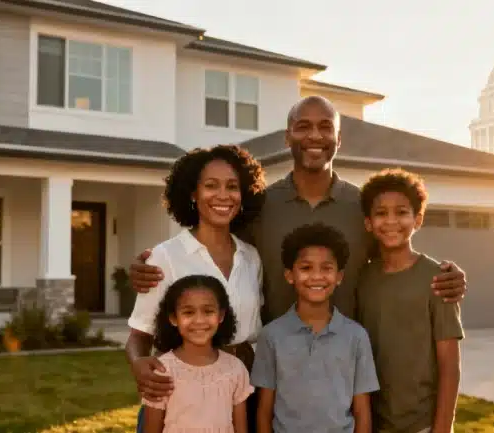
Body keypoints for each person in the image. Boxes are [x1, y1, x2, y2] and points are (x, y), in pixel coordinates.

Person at [127, 95, 468, 398]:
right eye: (303, 126)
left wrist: (446, 276)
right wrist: (147, 265)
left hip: (345, 368)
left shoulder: (361, 204)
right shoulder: (258, 207)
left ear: (339, 138)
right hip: (272, 371)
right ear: (288, 136)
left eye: (325, 127)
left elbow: (396, 257)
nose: (315, 136)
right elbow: (208, 240)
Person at [126, 145, 266, 431]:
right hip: (181, 394)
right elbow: (138, 335)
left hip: (241, 387)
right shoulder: (164, 257)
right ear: (192, 193)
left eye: (232, 186)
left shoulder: (251, 257)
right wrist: (138, 363)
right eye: (210, 186)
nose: (223, 195)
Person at [357, 168, 464, 433]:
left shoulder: (438, 279)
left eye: (402, 212)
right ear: (368, 223)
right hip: (375, 422)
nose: (391, 221)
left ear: (417, 219)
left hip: (423, 424)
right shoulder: (363, 278)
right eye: (381, 213)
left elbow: (450, 367)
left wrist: (441, 429)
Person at [252, 223, 379, 433]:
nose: (317, 276)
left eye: (327, 268)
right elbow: (264, 411)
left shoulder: (356, 336)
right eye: (306, 268)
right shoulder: (271, 335)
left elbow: (362, 412)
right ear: (289, 275)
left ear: (339, 276)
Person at [140, 274, 254, 433]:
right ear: (173, 318)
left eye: (208, 311)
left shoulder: (235, 368)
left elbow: (241, 428)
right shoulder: (163, 370)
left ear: (221, 316)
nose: (199, 320)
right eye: (188, 312)